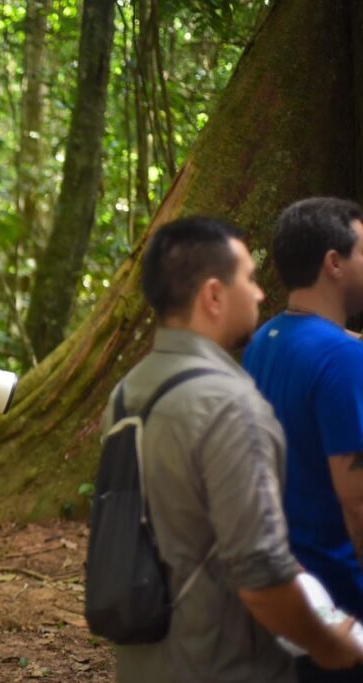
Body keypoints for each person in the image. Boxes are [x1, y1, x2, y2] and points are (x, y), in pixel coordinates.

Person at [108, 216, 363, 682]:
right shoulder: (230, 405)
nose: (261, 293)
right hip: (223, 662)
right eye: (248, 278)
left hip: (147, 656)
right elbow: (261, 577)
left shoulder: (129, 390)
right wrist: (334, 645)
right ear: (213, 295)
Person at [243, 197, 363, 681]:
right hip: (339, 603)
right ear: (334, 263)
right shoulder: (338, 358)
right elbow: (356, 499)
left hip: (283, 596)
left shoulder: (265, 340)